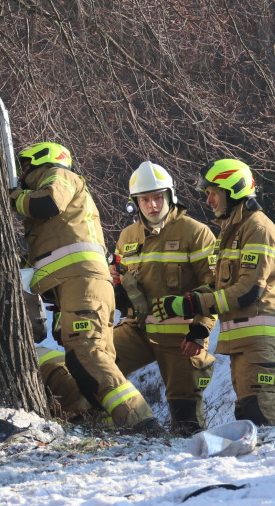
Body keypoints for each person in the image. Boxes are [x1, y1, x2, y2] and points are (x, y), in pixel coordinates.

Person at [11, 142, 158, 431]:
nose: (22, 174)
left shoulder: (59, 176)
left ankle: (142, 422)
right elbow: (51, 248)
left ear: (42, 160)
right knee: (89, 364)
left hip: (83, 283)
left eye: (24, 166)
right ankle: (110, 425)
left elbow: (47, 203)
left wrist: (10, 197)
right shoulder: (64, 215)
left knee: (86, 355)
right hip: (82, 284)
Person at [153, 158, 275, 425]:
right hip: (243, 344)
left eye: (212, 193)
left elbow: (247, 291)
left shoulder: (258, 228)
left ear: (232, 189)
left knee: (263, 420)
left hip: (260, 344)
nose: (208, 200)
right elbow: (221, 287)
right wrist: (199, 324)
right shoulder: (231, 232)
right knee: (248, 419)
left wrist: (191, 306)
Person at [110, 161, 216, 434]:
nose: (152, 205)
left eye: (158, 197)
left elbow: (214, 285)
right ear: (136, 202)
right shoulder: (127, 236)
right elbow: (120, 284)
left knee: (186, 421)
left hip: (180, 337)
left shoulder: (195, 232)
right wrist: (115, 286)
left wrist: (200, 329)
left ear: (170, 196)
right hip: (137, 329)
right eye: (145, 199)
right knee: (97, 361)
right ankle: (102, 426)